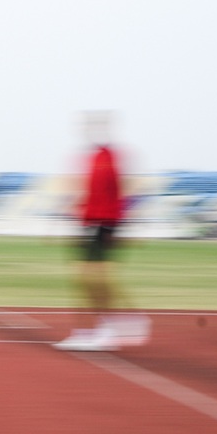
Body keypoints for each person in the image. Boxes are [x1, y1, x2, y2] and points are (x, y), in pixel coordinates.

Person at [55, 112, 149, 351]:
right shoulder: (92, 158)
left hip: (105, 222)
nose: (90, 130)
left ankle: (105, 329)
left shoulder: (113, 157)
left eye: (95, 126)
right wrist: (72, 211)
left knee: (95, 278)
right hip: (89, 222)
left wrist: (126, 224)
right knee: (85, 278)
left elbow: (128, 189)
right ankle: (89, 330)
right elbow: (85, 191)